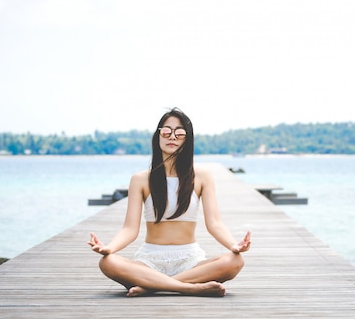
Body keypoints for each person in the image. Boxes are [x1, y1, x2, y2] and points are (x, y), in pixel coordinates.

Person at [88, 108, 251, 297]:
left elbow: (215, 222)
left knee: (235, 261)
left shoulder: (202, 177)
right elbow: (129, 229)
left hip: (190, 260)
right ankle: (189, 287)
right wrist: (110, 247)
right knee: (107, 262)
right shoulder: (140, 179)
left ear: (187, 139)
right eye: (166, 131)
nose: (172, 137)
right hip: (150, 260)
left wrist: (234, 245)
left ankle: (152, 286)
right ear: (158, 136)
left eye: (179, 133)